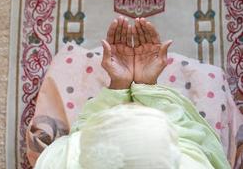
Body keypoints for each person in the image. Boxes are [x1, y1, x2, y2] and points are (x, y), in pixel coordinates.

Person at [33, 17, 231, 169]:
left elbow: (79, 138)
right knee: (210, 77)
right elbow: (195, 142)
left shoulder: (58, 161)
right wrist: (147, 86)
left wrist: (119, 86)